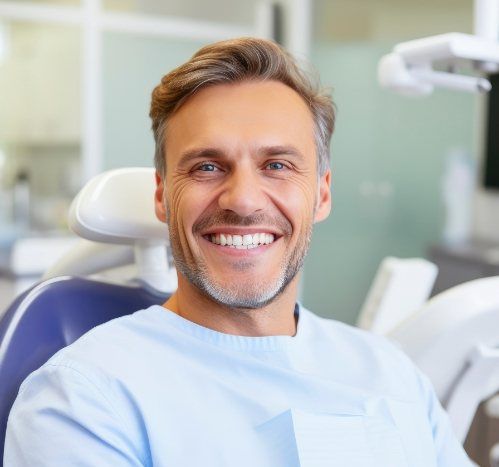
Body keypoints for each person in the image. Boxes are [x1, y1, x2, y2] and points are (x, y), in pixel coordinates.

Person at [5, 37, 472, 466]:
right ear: (163, 196)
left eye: (277, 165)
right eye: (208, 166)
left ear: (322, 195)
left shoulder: (393, 374)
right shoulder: (85, 398)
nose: (243, 199)